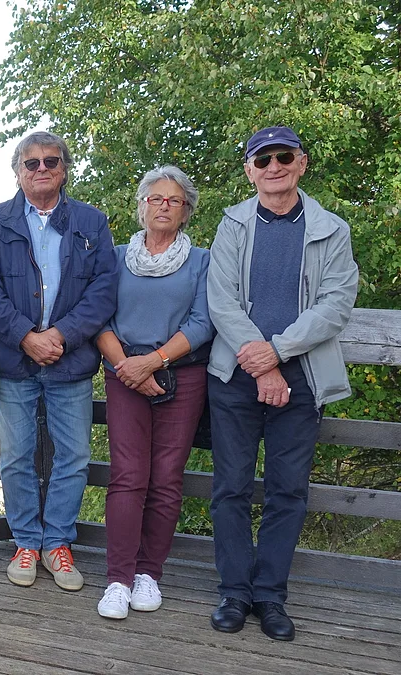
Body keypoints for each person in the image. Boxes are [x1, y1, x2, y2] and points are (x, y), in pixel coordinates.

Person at [207, 126, 358, 641]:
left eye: (282, 156)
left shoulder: (331, 230)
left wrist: (277, 353)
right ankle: (234, 592)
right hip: (236, 379)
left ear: (301, 163)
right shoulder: (231, 225)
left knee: (287, 490)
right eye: (261, 159)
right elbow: (220, 300)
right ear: (249, 170)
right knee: (230, 487)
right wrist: (262, 364)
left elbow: (336, 305)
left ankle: (270, 596)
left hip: (304, 379)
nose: (273, 166)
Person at [0, 130, 117, 592]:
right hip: (16, 363)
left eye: (51, 162)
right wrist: (24, 337)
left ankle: (58, 541)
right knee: (17, 457)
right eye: (32, 163)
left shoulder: (91, 222)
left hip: (70, 362)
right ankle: (25, 542)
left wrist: (59, 335)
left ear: (65, 168)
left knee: (74, 456)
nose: (42, 170)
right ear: (18, 170)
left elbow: (103, 291)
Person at [94, 166, 213, 620]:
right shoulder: (114, 256)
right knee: (128, 477)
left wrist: (155, 362)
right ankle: (118, 580)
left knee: (166, 478)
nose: (164, 206)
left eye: (174, 200)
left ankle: (149, 574)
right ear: (141, 205)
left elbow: (203, 322)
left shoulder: (203, 261)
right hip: (124, 374)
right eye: (155, 198)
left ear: (186, 212)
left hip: (182, 375)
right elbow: (98, 318)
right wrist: (130, 367)